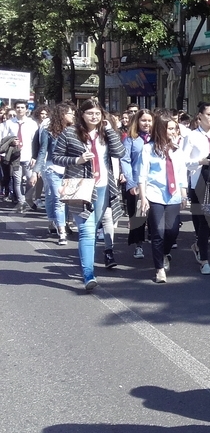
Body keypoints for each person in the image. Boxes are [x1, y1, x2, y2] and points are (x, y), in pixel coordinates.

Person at [52, 98, 125, 291]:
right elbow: (56, 157)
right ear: (81, 115)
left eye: (97, 113)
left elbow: (120, 153)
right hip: (81, 186)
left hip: (102, 186)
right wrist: (78, 159)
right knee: (86, 230)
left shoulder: (105, 133)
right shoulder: (69, 133)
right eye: (90, 113)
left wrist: (109, 130)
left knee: (94, 227)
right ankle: (88, 274)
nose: (94, 116)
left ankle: (87, 265)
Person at [138, 113, 189, 284]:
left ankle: (165, 253)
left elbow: (182, 174)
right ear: (161, 129)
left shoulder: (177, 150)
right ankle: (159, 268)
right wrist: (143, 197)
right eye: (171, 128)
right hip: (155, 195)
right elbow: (143, 175)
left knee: (172, 231)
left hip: (173, 195)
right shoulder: (148, 149)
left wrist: (184, 194)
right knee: (158, 232)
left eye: (175, 128)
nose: (174, 131)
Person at [182, 102, 210, 275]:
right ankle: (204, 260)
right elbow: (184, 161)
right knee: (204, 220)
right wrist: (201, 161)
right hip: (198, 182)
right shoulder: (192, 136)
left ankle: (198, 245)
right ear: (200, 116)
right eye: (209, 114)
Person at [33, 103, 76, 244]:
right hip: (53, 169)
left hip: (69, 169)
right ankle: (61, 231)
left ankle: (59, 222)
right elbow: (42, 151)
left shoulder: (74, 130)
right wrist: (35, 172)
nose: (73, 116)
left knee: (67, 199)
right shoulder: (48, 131)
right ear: (62, 115)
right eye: (70, 113)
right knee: (58, 199)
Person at [121, 109, 154, 259]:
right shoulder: (131, 139)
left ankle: (158, 244)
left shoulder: (156, 138)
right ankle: (138, 244)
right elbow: (125, 160)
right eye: (143, 120)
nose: (146, 123)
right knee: (139, 216)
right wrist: (131, 182)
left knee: (155, 215)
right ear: (137, 121)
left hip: (154, 182)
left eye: (149, 120)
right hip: (136, 182)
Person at [0, 100, 39, 212]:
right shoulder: (9, 123)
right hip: (15, 157)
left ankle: (28, 199)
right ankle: (21, 202)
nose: (20, 109)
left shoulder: (32, 124)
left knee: (30, 180)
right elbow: (4, 139)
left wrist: (34, 157)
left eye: (22, 107)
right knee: (17, 181)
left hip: (29, 155)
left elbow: (36, 141)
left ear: (26, 109)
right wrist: (11, 142)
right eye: (18, 107)